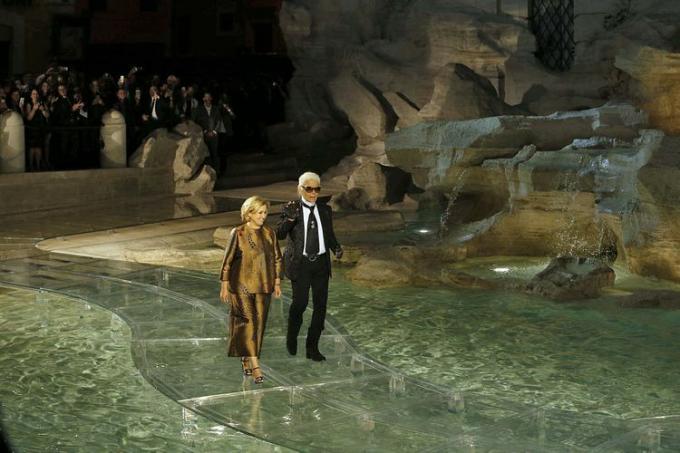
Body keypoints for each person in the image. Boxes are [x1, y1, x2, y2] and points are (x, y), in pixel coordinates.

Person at [276, 172, 343, 362]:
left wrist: (335, 247)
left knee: (320, 307)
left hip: (321, 263)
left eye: (317, 189)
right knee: (301, 303)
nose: (313, 193)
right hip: (301, 264)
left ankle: (312, 347)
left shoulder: (325, 210)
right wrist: (289, 219)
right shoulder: (291, 208)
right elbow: (279, 234)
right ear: (301, 189)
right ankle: (292, 335)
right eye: (309, 189)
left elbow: (329, 234)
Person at [219, 196, 283, 383]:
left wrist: (277, 282)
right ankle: (255, 365)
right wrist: (224, 284)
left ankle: (246, 357)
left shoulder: (269, 233)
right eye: (260, 212)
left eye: (265, 212)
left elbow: (277, 258)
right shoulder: (237, 233)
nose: (264, 216)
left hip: (264, 285)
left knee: (260, 325)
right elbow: (228, 261)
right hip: (241, 286)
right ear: (249, 214)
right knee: (248, 324)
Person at [192, 91, 225, 176]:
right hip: (203, 135)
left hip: (214, 135)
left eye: (208, 97)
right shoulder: (199, 110)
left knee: (215, 154)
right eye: (205, 97)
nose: (207, 99)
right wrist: (205, 131)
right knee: (206, 155)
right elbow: (196, 122)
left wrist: (214, 131)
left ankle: (216, 173)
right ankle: (207, 174)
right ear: (203, 99)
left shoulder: (216, 109)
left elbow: (219, 121)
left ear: (211, 98)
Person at [23, 88, 50, 171]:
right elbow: (29, 118)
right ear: (31, 95)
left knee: (39, 148)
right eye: (34, 94)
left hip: (40, 129)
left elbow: (47, 115)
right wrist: (34, 109)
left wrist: (42, 110)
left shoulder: (42, 103)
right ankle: (31, 166)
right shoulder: (28, 104)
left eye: (37, 94)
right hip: (32, 129)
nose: (35, 95)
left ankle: (38, 166)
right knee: (32, 148)